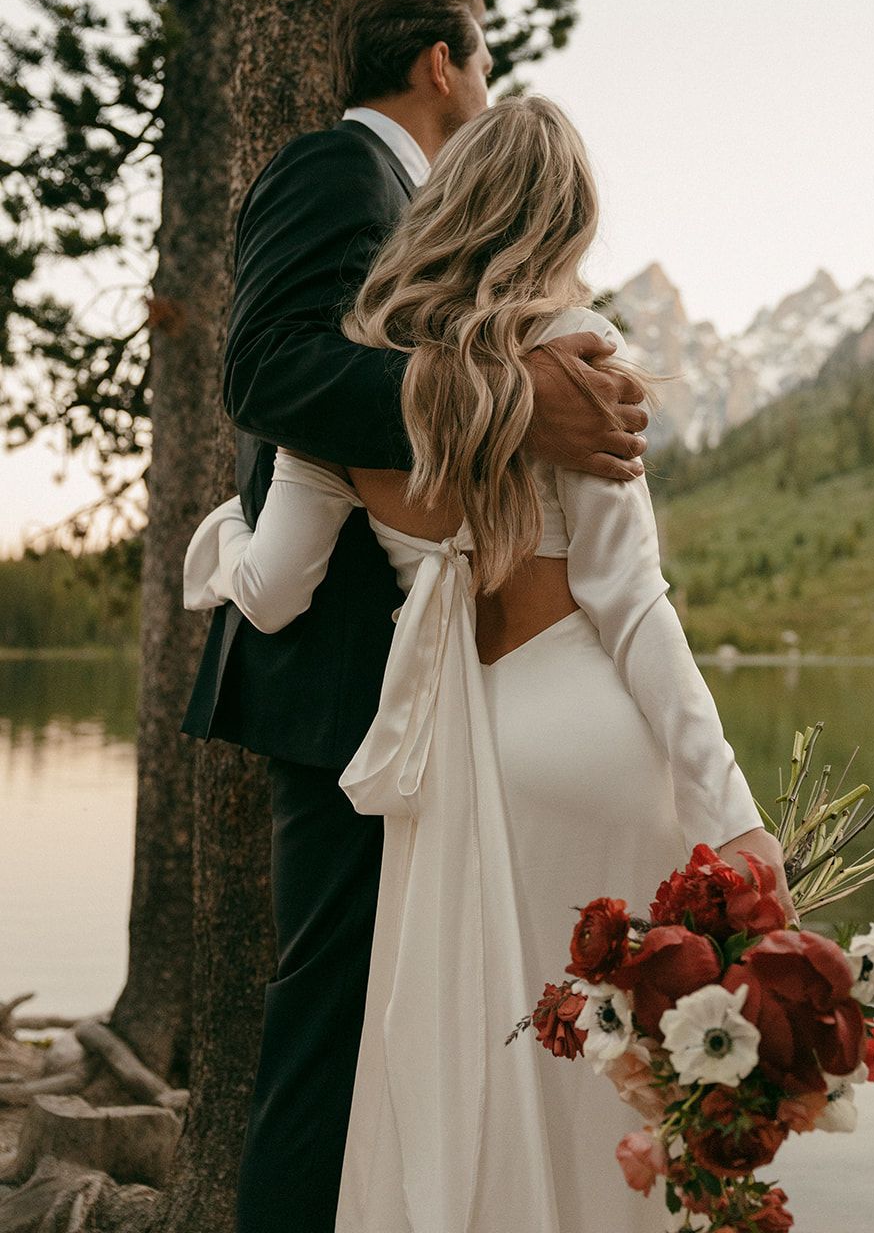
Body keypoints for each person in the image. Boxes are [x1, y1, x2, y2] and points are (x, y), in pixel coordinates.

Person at [185, 93, 793, 1231]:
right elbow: (632, 605)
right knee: (620, 1086)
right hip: (595, 733)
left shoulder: (360, 390)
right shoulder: (579, 362)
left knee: (480, 1075)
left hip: (467, 763)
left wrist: (216, 543)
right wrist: (736, 814)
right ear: (562, 223)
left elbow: (272, 593)